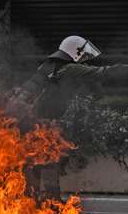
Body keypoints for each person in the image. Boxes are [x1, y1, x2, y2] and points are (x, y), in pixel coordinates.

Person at [11, 35, 128, 202]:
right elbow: (104, 73)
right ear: (75, 52)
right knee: (49, 164)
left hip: (31, 125)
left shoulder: (48, 67)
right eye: (83, 55)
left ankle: (36, 204)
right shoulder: (69, 69)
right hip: (45, 126)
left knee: (35, 165)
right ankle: (51, 203)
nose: (85, 60)